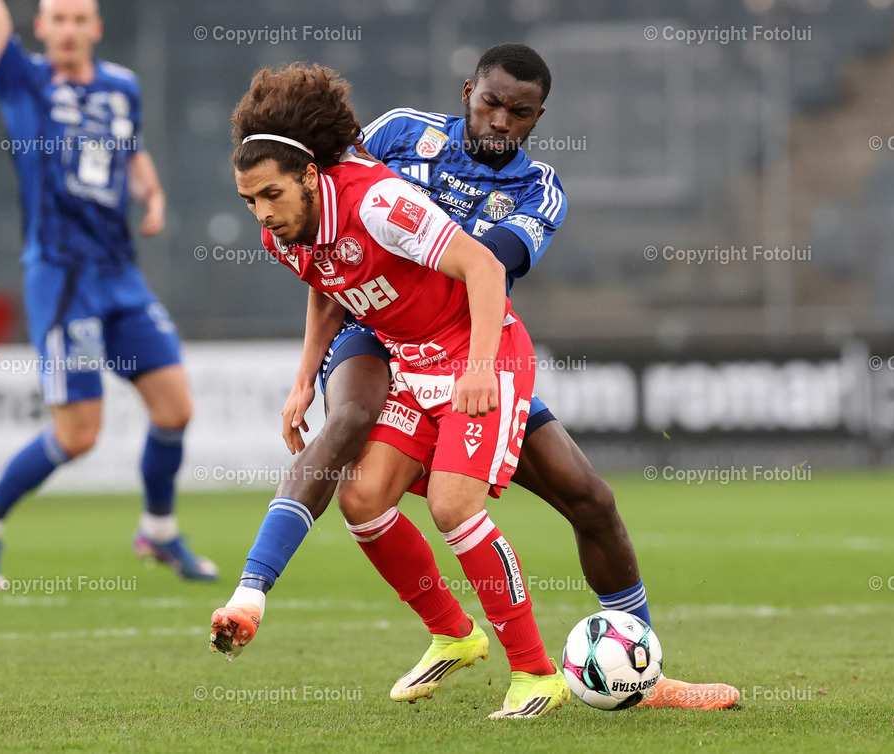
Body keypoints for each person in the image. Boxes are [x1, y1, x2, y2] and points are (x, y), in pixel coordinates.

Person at [211, 44, 739, 710]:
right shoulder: (397, 134)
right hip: (377, 329)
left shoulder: (536, 188)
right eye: (490, 103)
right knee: (352, 445)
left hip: (463, 338)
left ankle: (642, 667)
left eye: (519, 114)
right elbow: (327, 236)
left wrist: (471, 346)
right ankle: (438, 629)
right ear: (468, 92)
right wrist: (306, 372)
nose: (500, 121)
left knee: (590, 500)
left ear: (538, 118)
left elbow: (483, 264)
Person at [212, 62, 571, 719]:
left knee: (453, 507)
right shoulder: (284, 231)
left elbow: (485, 265)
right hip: (412, 360)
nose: (261, 215)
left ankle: (536, 674)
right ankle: (455, 635)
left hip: (477, 355)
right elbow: (330, 283)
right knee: (362, 497)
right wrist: (302, 381)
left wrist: (481, 368)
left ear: (310, 177)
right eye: (249, 202)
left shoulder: (380, 203)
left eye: (269, 196)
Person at [0, 0, 217, 587]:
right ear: (40, 28)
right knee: (79, 434)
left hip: (119, 273)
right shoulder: (25, 80)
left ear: (95, 28)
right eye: (58, 19)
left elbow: (130, 148)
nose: (69, 29)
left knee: (175, 408)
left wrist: (153, 196)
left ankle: (158, 529)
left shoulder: (122, 86)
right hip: (61, 275)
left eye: (79, 19)